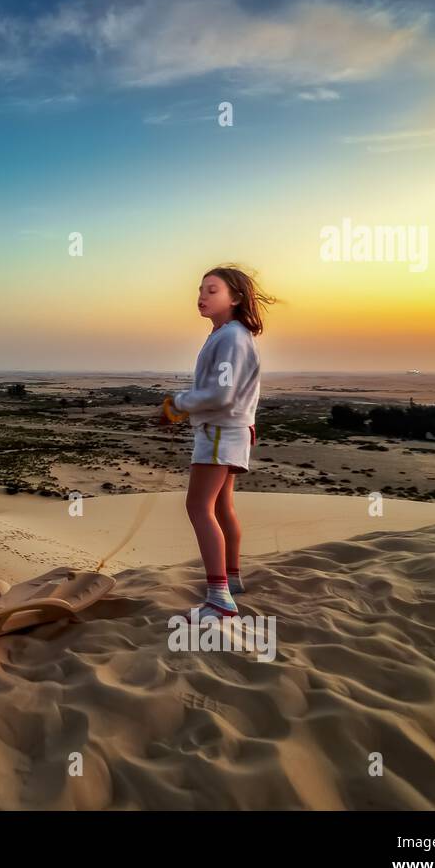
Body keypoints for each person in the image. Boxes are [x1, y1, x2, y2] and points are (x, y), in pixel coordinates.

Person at [162, 266, 275, 621]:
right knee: (222, 507)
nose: (202, 296)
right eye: (200, 289)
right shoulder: (231, 334)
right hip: (233, 431)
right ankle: (233, 579)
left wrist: (177, 405)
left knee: (198, 508)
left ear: (236, 298)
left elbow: (222, 394)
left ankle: (219, 599)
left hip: (220, 433)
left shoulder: (230, 337)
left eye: (212, 290)